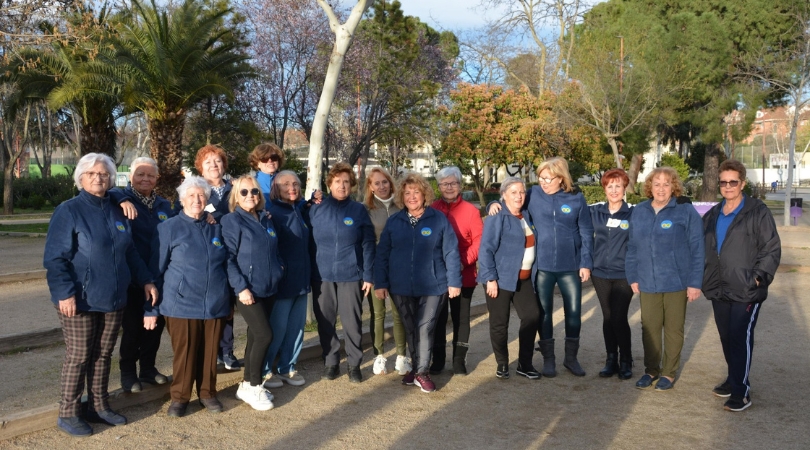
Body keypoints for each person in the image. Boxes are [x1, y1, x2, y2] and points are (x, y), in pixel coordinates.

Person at [44, 153, 156, 437]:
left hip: (113, 297)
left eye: (103, 174)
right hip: (79, 299)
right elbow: (55, 258)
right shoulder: (68, 210)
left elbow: (129, 251)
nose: (98, 178)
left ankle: (99, 406)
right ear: (81, 178)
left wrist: (145, 280)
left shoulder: (117, 209)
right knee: (79, 355)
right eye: (92, 174)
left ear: (110, 178)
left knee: (103, 354)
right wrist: (64, 293)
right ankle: (68, 413)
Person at [490, 157, 594, 377]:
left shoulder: (576, 198)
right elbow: (511, 202)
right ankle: (549, 359)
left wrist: (585, 262)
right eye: (541, 178)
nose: (544, 182)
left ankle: (571, 358)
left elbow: (586, 232)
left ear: (561, 178)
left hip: (570, 266)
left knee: (573, 313)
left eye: (549, 178)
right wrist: (493, 204)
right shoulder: (534, 195)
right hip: (542, 267)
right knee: (544, 314)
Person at [148, 176, 231, 417]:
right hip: (180, 303)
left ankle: (207, 393)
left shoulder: (218, 226)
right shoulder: (168, 228)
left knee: (209, 353)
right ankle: (180, 397)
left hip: (215, 303)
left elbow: (228, 264)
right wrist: (150, 308)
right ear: (182, 199)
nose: (197, 199)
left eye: (202, 195)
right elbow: (156, 270)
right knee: (185, 353)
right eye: (192, 195)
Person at [702, 160, 781, 411]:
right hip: (719, 287)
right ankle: (733, 378)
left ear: (742, 183)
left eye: (732, 181)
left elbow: (771, 248)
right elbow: (704, 248)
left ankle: (742, 391)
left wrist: (758, 277)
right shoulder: (713, 214)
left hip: (747, 289)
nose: (727, 186)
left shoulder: (757, 211)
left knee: (740, 337)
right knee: (726, 337)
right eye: (723, 182)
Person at [374, 172, 462, 393]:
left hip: (434, 285)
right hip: (400, 286)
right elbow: (382, 254)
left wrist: (454, 282)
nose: (412, 197)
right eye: (407, 193)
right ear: (401, 197)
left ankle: (422, 373)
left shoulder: (438, 219)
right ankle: (416, 367)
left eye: (416, 192)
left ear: (425, 195)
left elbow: (451, 251)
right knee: (411, 328)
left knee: (425, 328)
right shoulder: (394, 221)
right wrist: (381, 283)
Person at [625, 167, 704, 391]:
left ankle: (668, 373)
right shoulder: (639, 211)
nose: (661, 188)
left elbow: (697, 249)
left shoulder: (685, 211)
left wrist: (694, 283)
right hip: (647, 281)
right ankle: (651, 370)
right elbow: (632, 247)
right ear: (650, 186)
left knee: (673, 329)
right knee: (649, 327)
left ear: (674, 187)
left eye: (666, 184)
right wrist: (633, 275)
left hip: (677, 282)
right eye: (656, 184)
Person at [222, 176, 284, 411]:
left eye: (255, 191)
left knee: (255, 337)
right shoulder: (231, 221)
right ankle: (255, 385)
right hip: (247, 290)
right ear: (236, 195)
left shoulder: (266, 219)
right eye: (245, 192)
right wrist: (240, 288)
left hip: (269, 287)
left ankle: (247, 384)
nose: (251, 195)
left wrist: (280, 268)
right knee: (265, 335)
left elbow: (274, 249)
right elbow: (227, 257)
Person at [112, 157, 174, 393]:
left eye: (150, 175)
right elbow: (109, 193)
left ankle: (148, 368)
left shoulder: (164, 206)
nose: (145, 179)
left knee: (155, 326)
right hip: (133, 279)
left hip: (159, 276)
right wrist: (121, 196)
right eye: (140, 174)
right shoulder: (121, 202)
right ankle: (128, 373)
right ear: (130, 177)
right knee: (133, 328)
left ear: (157, 179)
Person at [309, 162, 375, 383]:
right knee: (326, 321)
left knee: (352, 322)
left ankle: (354, 364)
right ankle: (331, 362)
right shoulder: (316, 208)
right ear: (329, 184)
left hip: (351, 274)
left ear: (352, 185)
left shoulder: (358, 210)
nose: (342, 185)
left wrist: (368, 274)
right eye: (338, 181)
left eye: (347, 182)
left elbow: (367, 243)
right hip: (322, 274)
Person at [478, 177, 541, 380]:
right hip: (500, 279)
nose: (519, 196)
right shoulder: (497, 217)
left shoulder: (527, 215)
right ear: (503, 195)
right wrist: (490, 278)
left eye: (522, 192)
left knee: (532, 317)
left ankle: (525, 363)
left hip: (523, 280)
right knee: (499, 323)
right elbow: (486, 250)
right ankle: (502, 363)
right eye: (513, 192)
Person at [430, 166, 482, 375]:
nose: (449, 187)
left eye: (453, 183)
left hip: (464, 272)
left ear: (460, 185)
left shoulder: (471, 211)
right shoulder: (432, 209)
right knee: (438, 318)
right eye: (444, 184)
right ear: (439, 186)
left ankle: (459, 359)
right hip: (438, 275)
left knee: (461, 318)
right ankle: (439, 359)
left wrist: (463, 261)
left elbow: (479, 240)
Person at [263, 171, 312, 389]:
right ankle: (265, 370)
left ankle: (287, 367)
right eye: (286, 184)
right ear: (276, 187)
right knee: (277, 329)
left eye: (295, 183)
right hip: (282, 284)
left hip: (302, 281)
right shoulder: (272, 213)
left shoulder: (298, 209)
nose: (291, 187)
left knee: (296, 329)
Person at [194, 144, 240, 371]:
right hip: (207, 254)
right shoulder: (194, 190)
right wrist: (204, 214)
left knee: (229, 305)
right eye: (208, 162)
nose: (214, 165)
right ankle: (209, 352)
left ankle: (227, 351)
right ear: (201, 168)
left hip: (234, 252)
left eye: (218, 161)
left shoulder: (236, 188)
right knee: (211, 303)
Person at [363, 167, 410, 376]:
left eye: (384, 182)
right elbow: (365, 242)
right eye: (376, 183)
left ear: (390, 183)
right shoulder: (365, 209)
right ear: (370, 188)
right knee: (378, 314)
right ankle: (379, 356)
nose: (381, 186)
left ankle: (402, 356)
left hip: (400, 269)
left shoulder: (402, 206)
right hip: (376, 269)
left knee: (400, 313)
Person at [589, 168, 635, 380]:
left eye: (618, 186)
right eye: (610, 186)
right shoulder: (594, 212)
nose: (614, 190)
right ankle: (611, 360)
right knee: (608, 317)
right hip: (600, 273)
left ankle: (626, 359)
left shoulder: (634, 213)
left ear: (624, 188)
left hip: (624, 273)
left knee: (618, 316)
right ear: (604, 189)